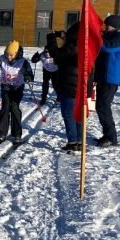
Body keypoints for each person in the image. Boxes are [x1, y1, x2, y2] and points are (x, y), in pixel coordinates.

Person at [0, 40, 34, 144]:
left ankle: (17, 134)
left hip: (17, 88)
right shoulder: (1, 59)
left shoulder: (23, 62)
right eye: (7, 54)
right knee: (5, 108)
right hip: (5, 87)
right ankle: (2, 133)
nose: (8, 57)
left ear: (16, 53)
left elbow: (29, 72)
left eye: (11, 55)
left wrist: (28, 77)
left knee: (14, 108)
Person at [92, 15, 120, 147]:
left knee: (103, 107)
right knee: (100, 107)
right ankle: (107, 135)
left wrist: (98, 38)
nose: (105, 27)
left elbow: (108, 47)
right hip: (103, 76)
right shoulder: (110, 35)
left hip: (111, 78)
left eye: (107, 25)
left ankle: (111, 137)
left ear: (114, 26)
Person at [46, 24, 83, 152]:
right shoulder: (83, 47)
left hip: (70, 87)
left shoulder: (72, 48)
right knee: (78, 115)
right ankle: (79, 141)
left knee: (69, 115)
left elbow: (55, 53)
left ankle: (73, 142)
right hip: (79, 88)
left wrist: (51, 37)